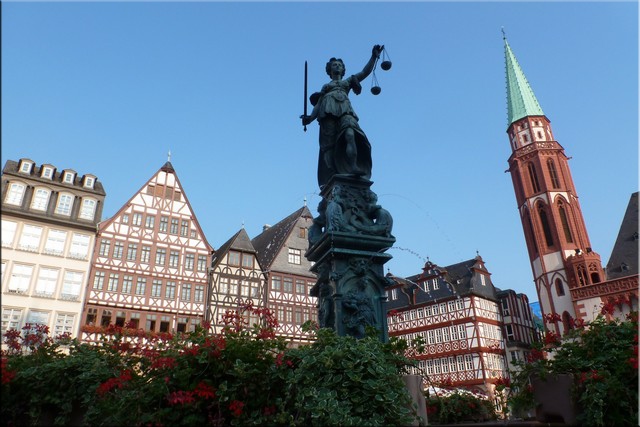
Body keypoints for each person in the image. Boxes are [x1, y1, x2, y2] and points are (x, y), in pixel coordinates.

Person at [301, 45, 384, 189]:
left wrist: (374, 57)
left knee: (351, 133)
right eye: (334, 65)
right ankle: (333, 175)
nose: (337, 66)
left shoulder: (347, 82)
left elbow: (365, 72)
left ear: (343, 69)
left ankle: (353, 166)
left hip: (345, 111)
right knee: (329, 146)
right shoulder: (326, 87)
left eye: (340, 65)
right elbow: (318, 105)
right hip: (327, 113)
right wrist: (310, 118)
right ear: (329, 70)